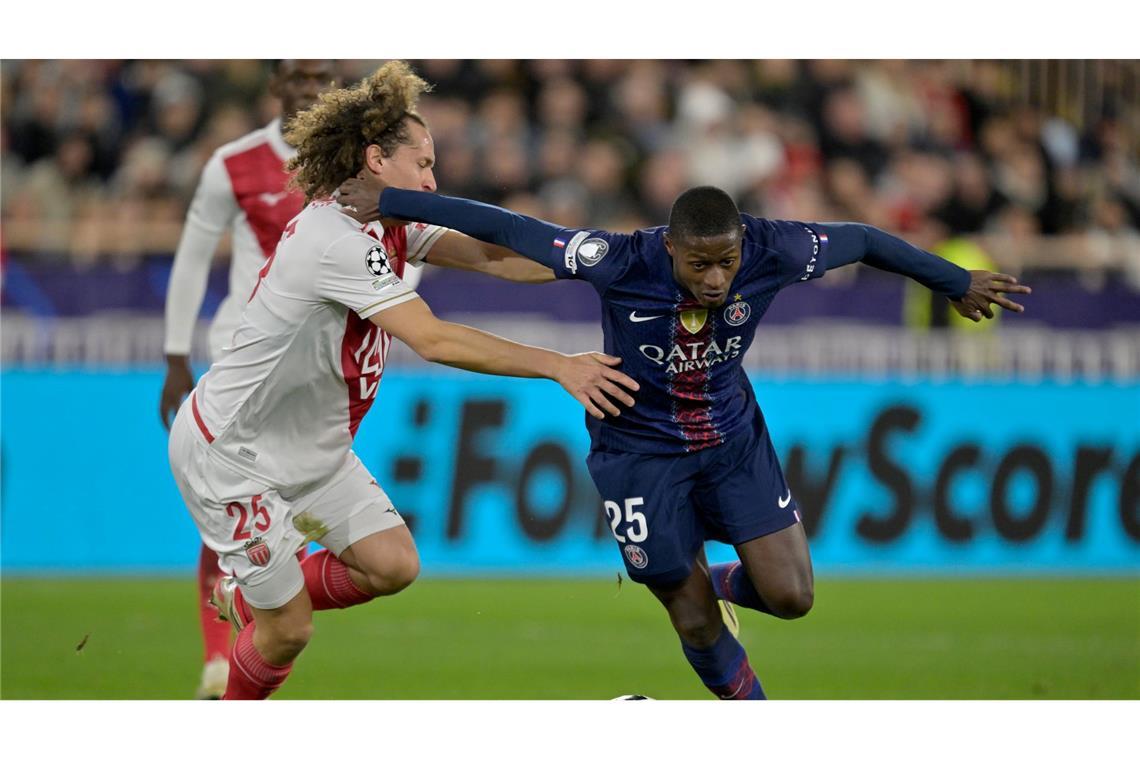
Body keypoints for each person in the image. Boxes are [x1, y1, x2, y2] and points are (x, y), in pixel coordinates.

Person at [336, 179, 1031, 699]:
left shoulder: (774, 247)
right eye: (699, 265)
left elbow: (865, 238)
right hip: (637, 453)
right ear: (669, 247)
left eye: (726, 263)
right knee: (692, 616)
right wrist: (394, 198)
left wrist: (955, 280)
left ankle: (718, 579)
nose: (716, 279)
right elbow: (514, 229)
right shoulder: (617, 259)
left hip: (731, 438)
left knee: (791, 596)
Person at [167, 60, 638, 700]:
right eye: (424, 163)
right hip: (235, 454)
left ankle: (247, 596)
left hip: (311, 451)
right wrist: (558, 364)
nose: (433, 179)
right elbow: (434, 338)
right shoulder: (335, 238)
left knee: (392, 564)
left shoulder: (384, 219)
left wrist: (596, 262)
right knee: (289, 631)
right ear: (376, 161)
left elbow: (491, 256)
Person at [160, 59, 342, 699]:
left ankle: (245, 624)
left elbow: (405, 242)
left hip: (317, 368)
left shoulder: (356, 161)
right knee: (232, 505)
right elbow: (190, 258)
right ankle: (221, 661)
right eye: (297, 75)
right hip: (240, 360)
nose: (310, 87)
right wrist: (175, 354)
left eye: (322, 75)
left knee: (283, 513)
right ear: (275, 86)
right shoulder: (233, 164)